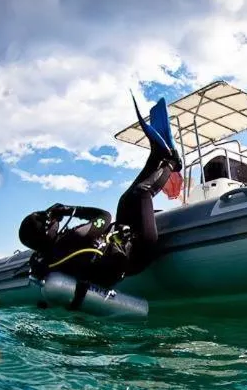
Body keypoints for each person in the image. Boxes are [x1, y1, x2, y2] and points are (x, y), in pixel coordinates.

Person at [17, 94, 181, 292]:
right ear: (45, 232)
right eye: (47, 219)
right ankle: (172, 162)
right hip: (140, 251)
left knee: (125, 200)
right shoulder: (74, 237)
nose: (52, 218)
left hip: (125, 246)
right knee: (141, 193)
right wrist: (68, 210)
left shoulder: (45, 256)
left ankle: (156, 157)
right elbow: (104, 216)